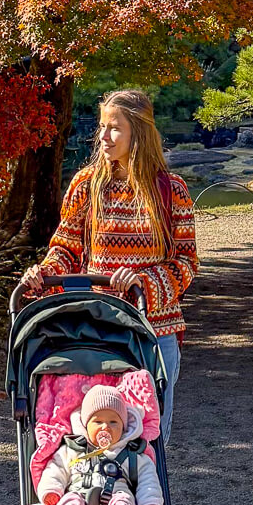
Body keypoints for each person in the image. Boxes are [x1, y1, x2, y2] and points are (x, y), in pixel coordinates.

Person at [19, 88, 197, 442]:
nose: (103, 136)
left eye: (114, 128)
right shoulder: (87, 185)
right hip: (97, 331)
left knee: (148, 443)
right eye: (102, 127)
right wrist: (44, 273)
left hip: (154, 333)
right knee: (98, 435)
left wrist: (143, 284)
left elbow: (186, 263)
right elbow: (66, 248)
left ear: (138, 132)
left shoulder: (171, 190)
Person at [37, 385, 165, 505]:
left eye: (113, 422)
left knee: (124, 500)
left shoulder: (131, 454)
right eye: (98, 422)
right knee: (70, 499)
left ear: (123, 427)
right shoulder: (73, 450)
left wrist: (149, 502)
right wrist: (51, 490)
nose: (105, 427)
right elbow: (55, 469)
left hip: (116, 495)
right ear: (85, 425)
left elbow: (147, 478)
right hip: (80, 493)